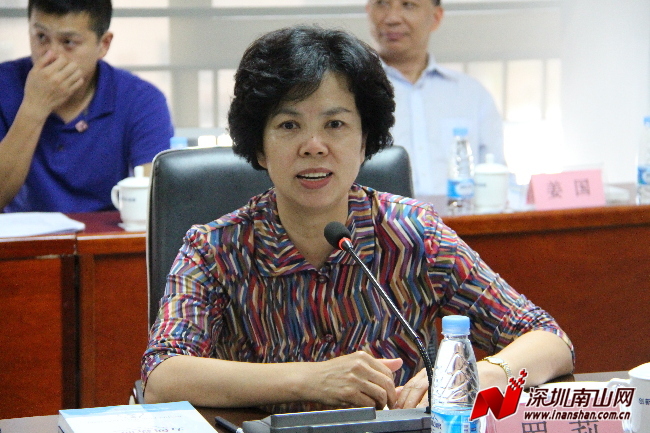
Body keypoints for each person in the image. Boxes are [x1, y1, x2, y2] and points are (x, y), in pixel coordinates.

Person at [141, 25, 573, 414]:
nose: (314, 145)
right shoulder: (215, 250)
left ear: (365, 141)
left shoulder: (413, 235)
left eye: (335, 124)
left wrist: (482, 374)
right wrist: (313, 379)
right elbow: (161, 376)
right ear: (259, 146)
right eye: (289, 125)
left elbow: (549, 340)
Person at [0, 0, 173, 213]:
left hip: (108, 233)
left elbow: (156, 205)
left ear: (104, 44)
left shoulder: (142, 99)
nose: (50, 56)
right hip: (24, 233)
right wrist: (34, 108)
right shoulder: (4, 84)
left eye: (68, 42)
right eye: (41, 37)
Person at [366, 0, 505, 197]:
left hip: (461, 216)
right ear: (368, 11)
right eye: (382, 3)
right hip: (377, 216)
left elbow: (497, 183)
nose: (393, 18)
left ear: (436, 17)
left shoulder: (472, 94)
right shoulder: (351, 90)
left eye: (408, 5)